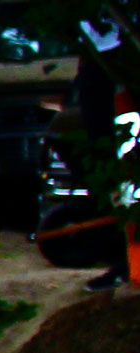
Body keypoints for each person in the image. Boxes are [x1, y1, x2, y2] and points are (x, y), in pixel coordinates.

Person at [79, 19, 127, 292]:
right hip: (100, 59)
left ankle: (126, 257)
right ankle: (123, 256)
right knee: (105, 162)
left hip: (117, 57)